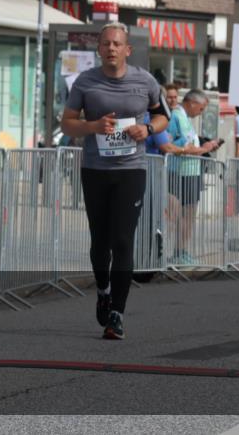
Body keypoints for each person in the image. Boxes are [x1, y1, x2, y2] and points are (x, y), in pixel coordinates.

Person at [60, 22, 169, 340]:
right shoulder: (86, 81)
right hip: (95, 169)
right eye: (106, 43)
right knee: (100, 243)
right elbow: (67, 124)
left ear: (127, 49)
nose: (111, 48)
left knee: (123, 241)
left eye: (117, 44)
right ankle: (103, 289)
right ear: (99, 49)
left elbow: (163, 116)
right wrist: (92, 127)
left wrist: (147, 130)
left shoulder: (144, 80)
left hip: (131, 170)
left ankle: (117, 314)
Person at [166, 90, 221, 265]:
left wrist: (204, 146)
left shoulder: (186, 118)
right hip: (177, 172)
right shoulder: (175, 116)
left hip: (191, 172)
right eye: (201, 108)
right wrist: (203, 149)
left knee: (189, 216)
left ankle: (181, 252)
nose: (201, 112)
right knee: (175, 216)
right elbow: (169, 145)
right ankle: (173, 253)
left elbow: (188, 143)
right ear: (191, 103)